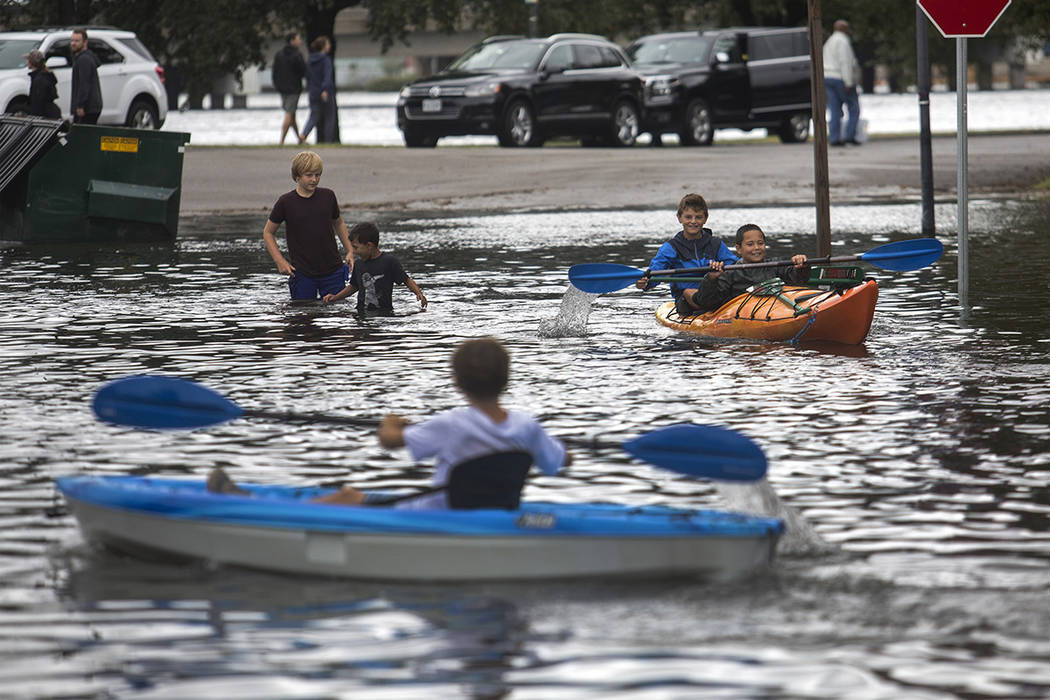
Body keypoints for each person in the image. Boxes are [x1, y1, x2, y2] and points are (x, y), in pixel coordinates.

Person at [208, 337, 571, 510]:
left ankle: (252, 506)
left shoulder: (452, 423)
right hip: (495, 512)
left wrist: (391, 421)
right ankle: (250, 498)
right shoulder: (528, 427)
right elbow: (558, 461)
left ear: (457, 383)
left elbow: (389, 441)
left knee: (348, 495)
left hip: (437, 514)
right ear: (506, 382)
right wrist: (560, 451)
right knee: (355, 496)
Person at [263, 151, 354, 301]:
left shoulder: (328, 196)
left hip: (333, 269)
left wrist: (350, 250)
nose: (314, 179)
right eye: (309, 175)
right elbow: (268, 233)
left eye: (318, 175)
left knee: (338, 316)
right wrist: (280, 261)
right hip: (302, 272)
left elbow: (338, 223)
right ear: (297, 176)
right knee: (302, 316)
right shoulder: (286, 202)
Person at [635, 193, 738, 315]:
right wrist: (645, 282)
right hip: (686, 301)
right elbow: (655, 272)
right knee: (688, 292)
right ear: (679, 218)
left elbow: (735, 266)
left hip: (714, 294)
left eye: (698, 217)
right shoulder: (671, 247)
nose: (693, 221)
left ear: (705, 218)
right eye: (688, 217)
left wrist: (721, 268)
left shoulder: (715, 244)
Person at [693, 224, 810, 312]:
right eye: (750, 244)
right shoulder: (731, 272)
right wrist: (711, 278)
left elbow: (798, 278)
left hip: (774, 309)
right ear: (739, 249)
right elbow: (708, 302)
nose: (756, 248)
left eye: (760, 243)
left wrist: (801, 266)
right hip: (742, 313)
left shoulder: (775, 265)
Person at [322, 221, 427, 314]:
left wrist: (418, 293)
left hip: (384, 314)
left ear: (369, 245)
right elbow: (353, 286)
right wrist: (335, 297)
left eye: (356, 247)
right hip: (361, 313)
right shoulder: (359, 264)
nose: (354, 251)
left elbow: (406, 280)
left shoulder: (389, 262)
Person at [823, 19, 861, 147]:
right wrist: (849, 82)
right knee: (853, 107)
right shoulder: (843, 41)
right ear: (845, 29)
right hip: (840, 77)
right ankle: (849, 136)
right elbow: (845, 62)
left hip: (828, 77)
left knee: (834, 109)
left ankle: (834, 138)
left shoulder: (829, 41)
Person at [272, 32, 306, 145]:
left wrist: (277, 85)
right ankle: (281, 141)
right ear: (292, 41)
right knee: (289, 113)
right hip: (294, 89)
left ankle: (299, 139)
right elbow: (303, 71)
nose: (300, 41)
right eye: (298, 39)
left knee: (292, 114)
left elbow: (275, 72)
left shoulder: (279, 54)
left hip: (282, 89)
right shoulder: (297, 55)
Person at [300, 36, 336, 144]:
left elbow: (307, 75)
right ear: (324, 46)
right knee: (330, 117)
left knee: (314, 115)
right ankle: (328, 141)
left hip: (313, 91)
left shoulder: (309, 60)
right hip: (325, 92)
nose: (329, 46)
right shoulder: (326, 59)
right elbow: (327, 75)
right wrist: (325, 89)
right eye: (328, 44)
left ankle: (304, 134)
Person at [69, 27, 102, 124]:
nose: (73, 43)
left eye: (77, 41)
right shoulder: (83, 58)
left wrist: (80, 105)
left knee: (82, 137)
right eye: (72, 40)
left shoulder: (84, 59)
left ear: (85, 42)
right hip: (91, 107)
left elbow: (84, 84)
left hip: (87, 109)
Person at [25, 50, 60, 118]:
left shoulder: (39, 79)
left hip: (45, 116)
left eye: (28, 60)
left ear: (32, 62)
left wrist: (34, 118)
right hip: (50, 114)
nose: (26, 62)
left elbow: (38, 102)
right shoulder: (45, 76)